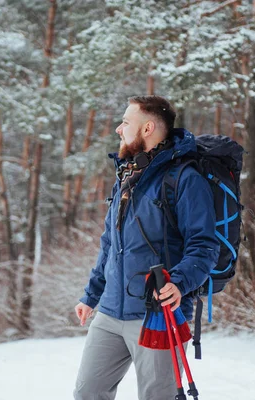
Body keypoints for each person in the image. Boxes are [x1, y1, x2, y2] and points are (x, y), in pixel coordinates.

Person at [73, 95, 220, 400]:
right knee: (88, 393)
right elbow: (110, 244)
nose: (118, 129)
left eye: (126, 122)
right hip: (111, 312)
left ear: (147, 128)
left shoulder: (185, 180)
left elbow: (204, 245)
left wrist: (179, 283)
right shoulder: (127, 177)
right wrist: (91, 295)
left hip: (158, 314)